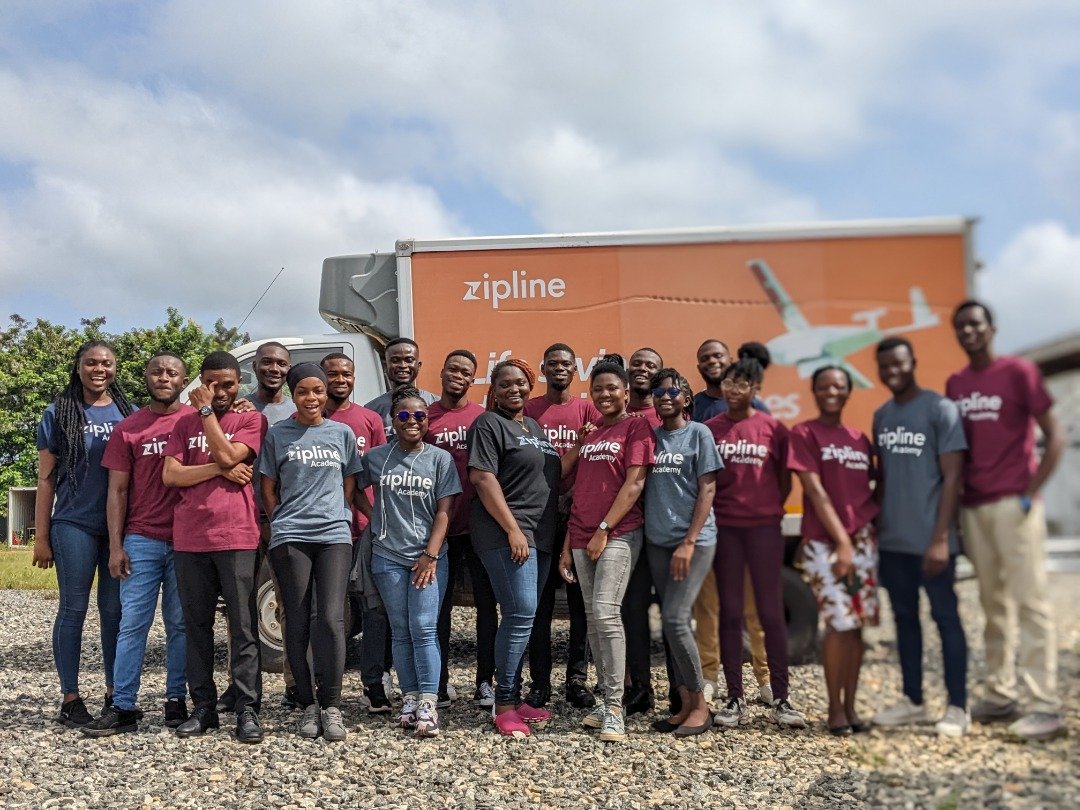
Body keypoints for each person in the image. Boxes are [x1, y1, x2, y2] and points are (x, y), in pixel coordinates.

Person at [946, 300, 1065, 741]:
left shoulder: (1019, 372)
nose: (968, 331)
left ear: (991, 328)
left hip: (1014, 505)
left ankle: (1044, 706)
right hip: (974, 507)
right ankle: (1000, 694)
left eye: (975, 324)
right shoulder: (957, 383)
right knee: (992, 605)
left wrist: (1031, 492)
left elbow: (1056, 436)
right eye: (961, 326)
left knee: (1031, 602)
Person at [83, 354, 192, 736]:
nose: (164, 377)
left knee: (180, 625)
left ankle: (176, 701)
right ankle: (123, 706)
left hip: (186, 540)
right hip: (141, 539)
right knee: (132, 625)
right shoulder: (128, 428)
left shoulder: (196, 421)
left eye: (172, 372)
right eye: (156, 372)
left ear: (184, 380)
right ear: (145, 378)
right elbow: (117, 490)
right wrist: (116, 546)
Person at [163, 351, 267, 743]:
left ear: (240, 383)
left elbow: (228, 452)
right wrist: (219, 470)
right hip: (191, 538)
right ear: (201, 381)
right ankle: (203, 708)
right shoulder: (182, 423)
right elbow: (171, 475)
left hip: (236, 535)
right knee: (196, 627)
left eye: (228, 384)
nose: (220, 391)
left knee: (243, 627)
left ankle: (247, 709)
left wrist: (206, 412)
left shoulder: (251, 420)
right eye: (211, 384)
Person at [33, 340, 135, 728]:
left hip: (118, 528)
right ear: (78, 367)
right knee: (73, 609)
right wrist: (41, 537)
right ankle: (70, 698)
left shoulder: (129, 412)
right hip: (73, 524)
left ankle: (115, 694)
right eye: (91, 362)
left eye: (106, 363)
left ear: (115, 368)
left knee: (114, 611)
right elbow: (46, 480)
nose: (99, 369)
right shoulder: (58, 412)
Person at [872, 337, 969, 736]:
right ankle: (913, 701)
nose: (892, 371)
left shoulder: (940, 409)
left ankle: (958, 707)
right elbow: (884, 480)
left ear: (913, 362)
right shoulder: (881, 415)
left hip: (932, 542)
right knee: (904, 621)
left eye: (899, 363)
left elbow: (953, 477)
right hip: (893, 543)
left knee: (946, 619)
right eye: (885, 366)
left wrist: (941, 539)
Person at [259, 363, 362, 742]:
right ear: (293, 394)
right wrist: (282, 520)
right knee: (297, 620)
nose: (312, 397)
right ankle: (307, 703)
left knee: (332, 619)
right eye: (303, 391)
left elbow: (349, 483)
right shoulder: (278, 435)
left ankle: (331, 705)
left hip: (334, 535)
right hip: (291, 536)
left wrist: (337, 513)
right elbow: (268, 488)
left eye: (318, 390)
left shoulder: (342, 433)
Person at [707, 358, 807, 729]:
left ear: (756, 388)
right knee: (731, 613)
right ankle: (735, 698)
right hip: (726, 531)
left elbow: (784, 480)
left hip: (764, 530)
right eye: (729, 382)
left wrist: (767, 511)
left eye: (742, 383)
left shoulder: (773, 429)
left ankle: (781, 698)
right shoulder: (711, 430)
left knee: (770, 613)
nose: (734, 389)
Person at [559, 360, 655, 742]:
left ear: (626, 393)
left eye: (612, 388)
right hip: (581, 535)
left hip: (618, 533)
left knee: (605, 612)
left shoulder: (636, 427)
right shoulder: (594, 433)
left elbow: (634, 485)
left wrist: (604, 529)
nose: (605, 394)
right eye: (597, 389)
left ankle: (616, 707)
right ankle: (605, 701)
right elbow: (578, 490)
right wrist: (569, 545)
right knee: (592, 618)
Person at [468, 359, 562, 737]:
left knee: (525, 616)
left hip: (539, 535)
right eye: (505, 384)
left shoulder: (534, 427)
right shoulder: (488, 424)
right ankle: (504, 703)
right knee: (520, 613)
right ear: (494, 389)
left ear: (530, 384)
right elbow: (482, 477)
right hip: (506, 534)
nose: (514, 389)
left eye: (520, 382)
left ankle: (515, 695)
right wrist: (512, 530)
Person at [360, 387, 460, 737]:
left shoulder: (440, 459)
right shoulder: (376, 457)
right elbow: (353, 487)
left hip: (428, 558)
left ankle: (429, 702)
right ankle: (410, 698)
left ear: (427, 420)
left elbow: (446, 510)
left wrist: (430, 554)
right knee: (400, 630)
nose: (412, 421)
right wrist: (375, 517)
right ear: (393, 420)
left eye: (419, 415)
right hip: (388, 556)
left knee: (424, 627)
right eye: (404, 415)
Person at [789, 366, 879, 736]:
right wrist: (842, 542)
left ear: (848, 392)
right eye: (824, 386)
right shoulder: (805, 433)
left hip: (862, 543)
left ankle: (852, 706)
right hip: (825, 544)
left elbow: (871, 489)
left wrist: (862, 534)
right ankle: (834, 709)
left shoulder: (859, 439)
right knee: (838, 623)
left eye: (839, 386)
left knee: (856, 627)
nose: (831, 392)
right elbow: (815, 492)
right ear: (814, 391)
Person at [523, 343, 601, 710]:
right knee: (538, 603)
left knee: (579, 605)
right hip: (538, 518)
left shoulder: (587, 409)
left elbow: (599, 456)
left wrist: (575, 495)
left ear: (575, 369)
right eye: (552, 363)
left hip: (578, 516)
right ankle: (539, 681)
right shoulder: (530, 410)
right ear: (543, 369)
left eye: (565, 364)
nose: (559, 368)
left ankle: (576, 679)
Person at [643, 369, 721, 737]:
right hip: (657, 542)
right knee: (672, 622)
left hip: (694, 542)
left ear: (686, 399)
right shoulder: (650, 437)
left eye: (672, 392)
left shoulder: (699, 434)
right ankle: (686, 703)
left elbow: (708, 490)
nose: (664, 397)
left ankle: (702, 706)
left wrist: (689, 542)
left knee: (675, 619)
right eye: (658, 392)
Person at [424, 350, 498, 709]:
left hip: (479, 526)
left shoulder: (482, 418)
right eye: (453, 369)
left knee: (486, 606)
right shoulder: (425, 417)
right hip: (439, 528)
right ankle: (438, 683)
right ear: (441, 373)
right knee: (439, 609)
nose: (458, 375)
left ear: (473, 379)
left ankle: (485, 682)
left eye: (466, 372)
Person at [320, 352, 392, 714]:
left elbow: (378, 474)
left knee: (373, 609)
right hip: (322, 530)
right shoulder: (307, 417)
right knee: (327, 611)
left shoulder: (369, 419)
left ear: (354, 377)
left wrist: (376, 519)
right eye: (332, 374)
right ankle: (320, 684)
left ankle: (375, 682)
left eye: (346, 374)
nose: (340, 379)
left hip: (364, 529)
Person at [621, 347, 663, 715]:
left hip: (663, 530)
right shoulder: (615, 415)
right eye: (637, 364)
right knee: (630, 609)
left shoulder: (665, 415)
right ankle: (636, 686)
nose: (642, 369)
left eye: (650, 365)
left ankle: (684, 691)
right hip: (629, 527)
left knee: (672, 614)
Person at [365, 338, 439, 438]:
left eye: (409, 360)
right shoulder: (371, 409)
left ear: (418, 366)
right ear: (385, 366)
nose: (403, 365)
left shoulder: (435, 404)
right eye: (395, 360)